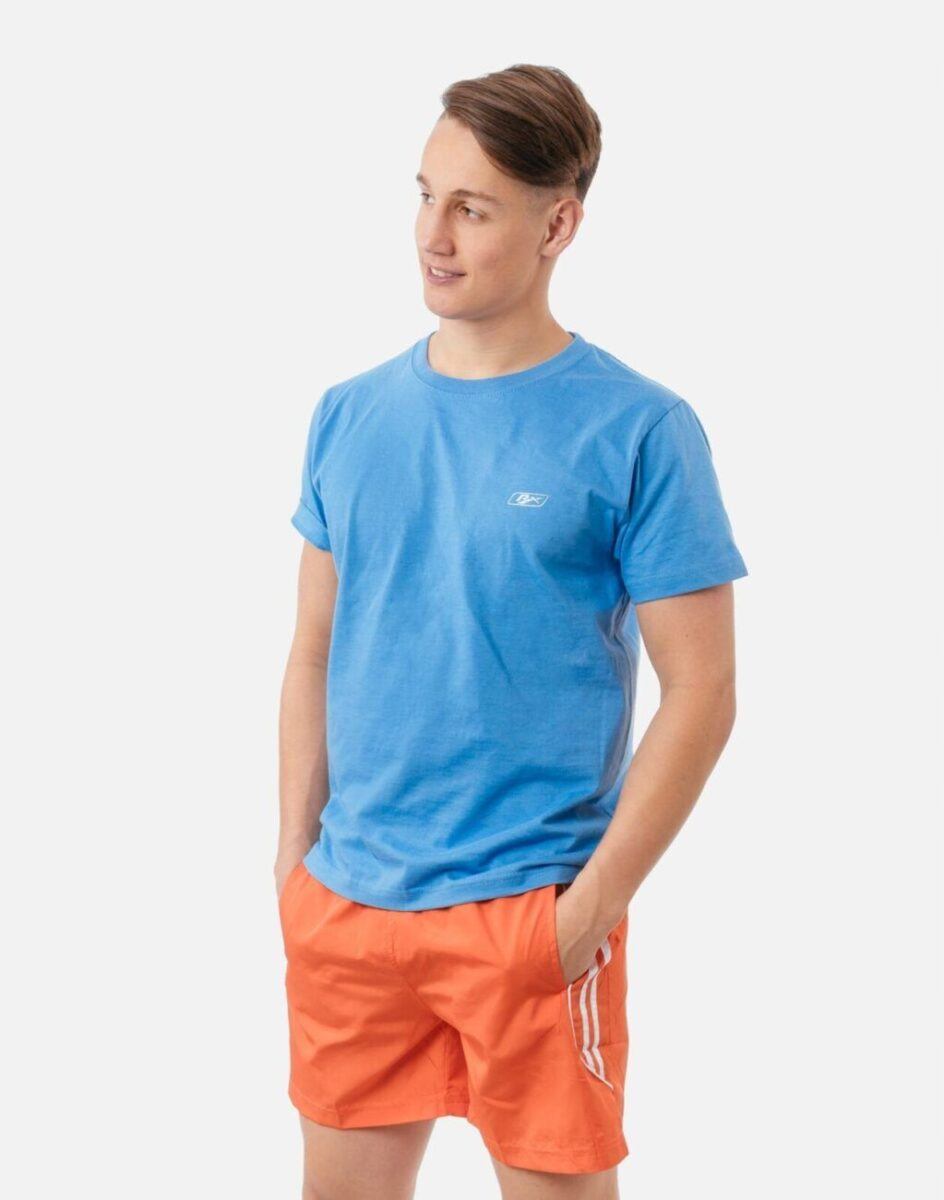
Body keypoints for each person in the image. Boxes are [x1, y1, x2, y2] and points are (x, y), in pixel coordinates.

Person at [276, 63, 748, 1200]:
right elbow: (313, 648)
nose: (431, 236)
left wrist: (590, 911)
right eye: (423, 195)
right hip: (350, 910)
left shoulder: (639, 429)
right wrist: (293, 867)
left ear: (558, 224)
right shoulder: (349, 414)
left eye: (472, 209)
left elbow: (703, 690)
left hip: (527, 917)